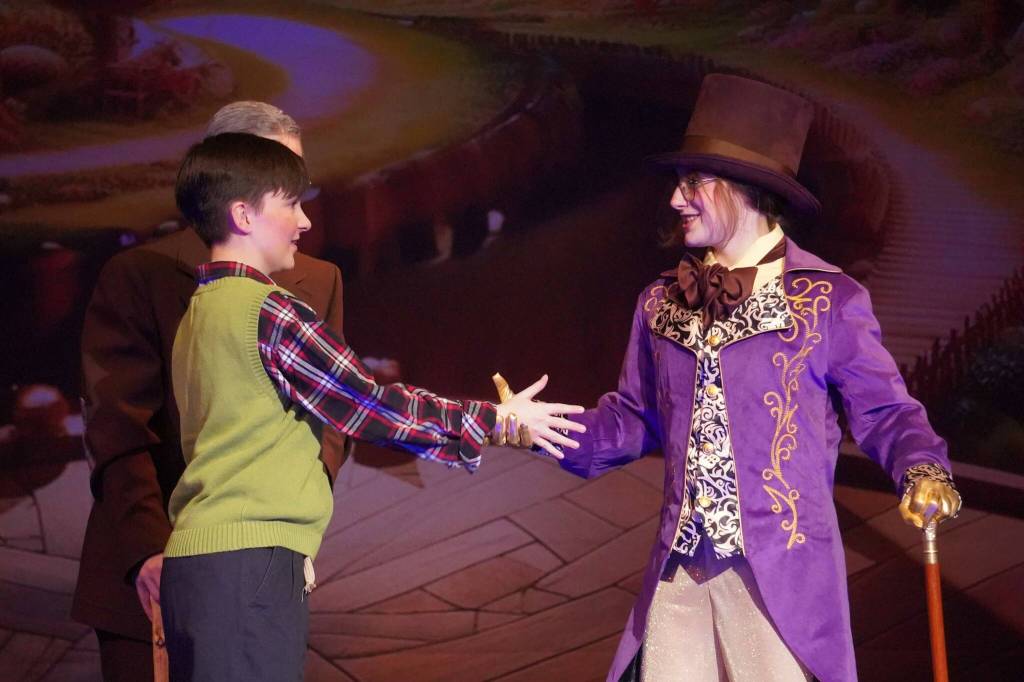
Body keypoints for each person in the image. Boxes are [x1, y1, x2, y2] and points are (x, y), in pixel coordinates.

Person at [506, 74, 961, 682]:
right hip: (679, 575)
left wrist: (922, 469)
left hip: (779, 583)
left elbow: (886, 412)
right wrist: (541, 430)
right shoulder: (660, 302)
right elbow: (629, 421)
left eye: (694, 182)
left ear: (746, 189)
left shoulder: (826, 302)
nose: (676, 199)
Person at [160, 131, 583, 681]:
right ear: (243, 214)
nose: (305, 221)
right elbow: (369, 405)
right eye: (291, 203)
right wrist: (494, 420)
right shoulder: (270, 312)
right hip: (247, 565)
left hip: (198, 568)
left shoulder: (199, 312)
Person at [72, 102, 349, 681]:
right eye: (283, 184)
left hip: (262, 565)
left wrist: (288, 524)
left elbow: (336, 415)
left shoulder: (317, 278)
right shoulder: (140, 273)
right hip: (148, 568)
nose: (301, 213)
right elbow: (118, 426)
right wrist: (151, 551)